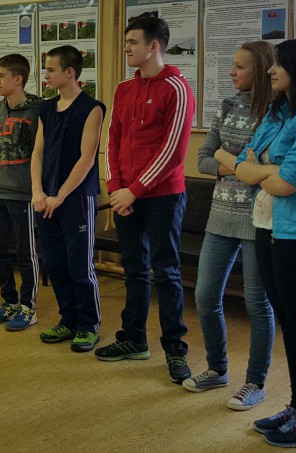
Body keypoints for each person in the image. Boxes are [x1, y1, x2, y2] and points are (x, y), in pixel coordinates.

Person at [221, 38, 296, 448]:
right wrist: (261, 168)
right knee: (289, 324)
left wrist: (254, 168)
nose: (271, 71)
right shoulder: (278, 111)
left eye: (280, 65)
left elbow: (286, 183)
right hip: (267, 224)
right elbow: (248, 166)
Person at [99, 17, 195, 384]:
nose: (126, 48)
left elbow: (174, 151)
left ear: (154, 46)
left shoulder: (177, 87)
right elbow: (113, 140)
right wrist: (116, 188)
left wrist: (134, 190)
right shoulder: (124, 89)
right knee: (134, 269)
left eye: (133, 42)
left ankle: (174, 349)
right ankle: (134, 339)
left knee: (166, 271)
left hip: (162, 196)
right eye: (126, 41)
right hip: (125, 195)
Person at [185, 41, 276, 411]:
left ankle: (255, 382)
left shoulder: (278, 111)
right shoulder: (226, 105)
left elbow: (272, 166)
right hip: (221, 215)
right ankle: (217, 369)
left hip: (258, 219)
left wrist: (233, 162)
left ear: (261, 69)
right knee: (205, 297)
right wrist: (243, 165)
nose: (231, 72)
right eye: (232, 65)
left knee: (257, 304)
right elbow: (203, 160)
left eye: (239, 66)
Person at [32, 45, 106, 352]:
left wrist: (61, 195)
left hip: (76, 200)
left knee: (79, 266)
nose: (46, 75)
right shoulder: (46, 109)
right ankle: (68, 319)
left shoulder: (92, 108)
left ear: (69, 72)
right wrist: (37, 191)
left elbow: (86, 159)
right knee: (55, 263)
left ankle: (88, 325)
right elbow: (37, 153)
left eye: (51, 70)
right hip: (45, 200)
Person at [0, 54, 44, 332]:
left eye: (1, 76)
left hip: (23, 194)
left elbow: (40, 154)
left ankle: (28, 307)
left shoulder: (37, 111)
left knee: (25, 253)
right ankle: (9, 301)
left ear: (18, 79)